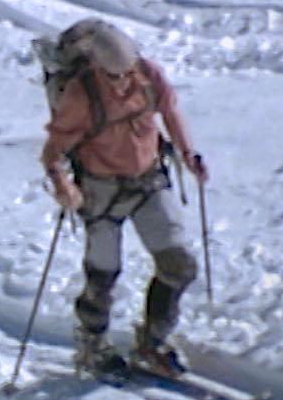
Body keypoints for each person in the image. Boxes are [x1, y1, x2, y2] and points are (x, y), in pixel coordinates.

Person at [41, 20, 208, 376]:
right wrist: (63, 185)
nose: (121, 81)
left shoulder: (148, 75)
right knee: (102, 276)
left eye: (126, 72)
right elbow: (54, 149)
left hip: (148, 180)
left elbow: (169, 111)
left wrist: (187, 153)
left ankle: (153, 340)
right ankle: (92, 345)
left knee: (179, 266)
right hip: (100, 193)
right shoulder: (81, 94)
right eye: (112, 75)